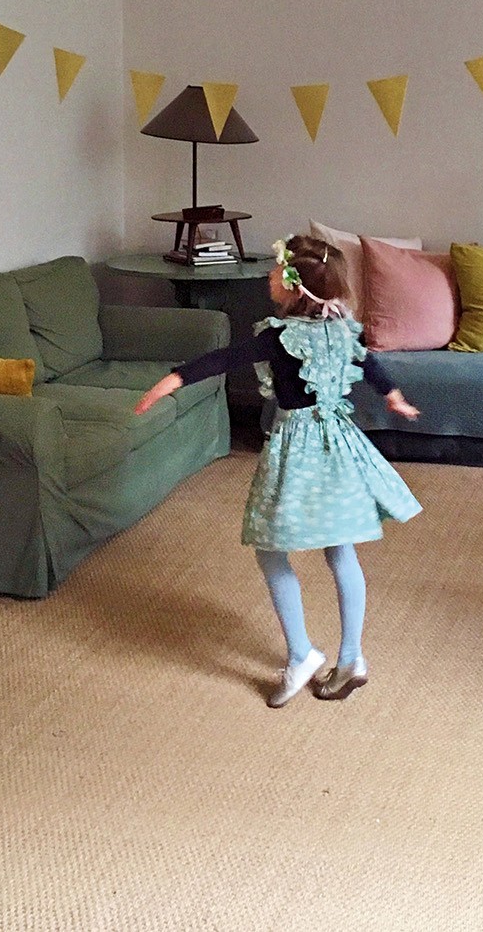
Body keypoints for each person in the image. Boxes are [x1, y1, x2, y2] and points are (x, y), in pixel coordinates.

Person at [135, 234, 422, 707]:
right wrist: (394, 397)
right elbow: (371, 367)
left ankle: (301, 654)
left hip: (299, 448)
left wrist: (174, 379)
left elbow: (225, 358)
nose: (269, 276)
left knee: (270, 547)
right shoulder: (343, 330)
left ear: (293, 285)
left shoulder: (280, 336)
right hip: (340, 446)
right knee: (341, 549)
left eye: (275, 270)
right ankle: (352, 657)